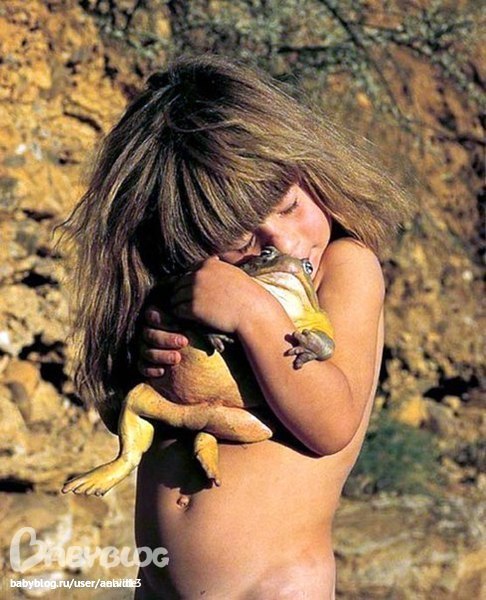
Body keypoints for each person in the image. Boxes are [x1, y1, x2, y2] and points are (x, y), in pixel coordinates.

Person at [63, 54, 411, 598]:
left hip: (273, 587)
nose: (286, 243)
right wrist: (150, 356)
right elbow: (127, 412)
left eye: (290, 206)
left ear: (311, 172)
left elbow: (332, 423)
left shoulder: (346, 267)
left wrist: (252, 313)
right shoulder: (204, 288)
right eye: (242, 239)